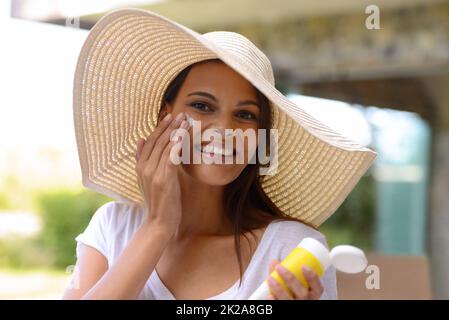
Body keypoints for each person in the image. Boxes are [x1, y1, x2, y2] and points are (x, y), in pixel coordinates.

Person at [64, 8, 377, 300]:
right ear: (164, 117)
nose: (225, 129)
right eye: (202, 106)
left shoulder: (291, 247)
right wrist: (158, 226)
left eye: (246, 115)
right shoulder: (113, 226)